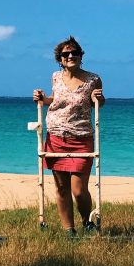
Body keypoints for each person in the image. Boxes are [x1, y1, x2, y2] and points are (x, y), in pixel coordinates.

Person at [33, 36, 105, 234]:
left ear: (81, 56)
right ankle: (69, 231)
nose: (70, 56)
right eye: (66, 54)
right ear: (60, 58)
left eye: (75, 52)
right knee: (62, 188)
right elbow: (55, 100)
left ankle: (87, 222)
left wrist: (97, 98)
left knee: (79, 190)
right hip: (56, 137)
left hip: (81, 138)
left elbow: (98, 103)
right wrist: (42, 99)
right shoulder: (56, 77)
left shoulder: (93, 79)